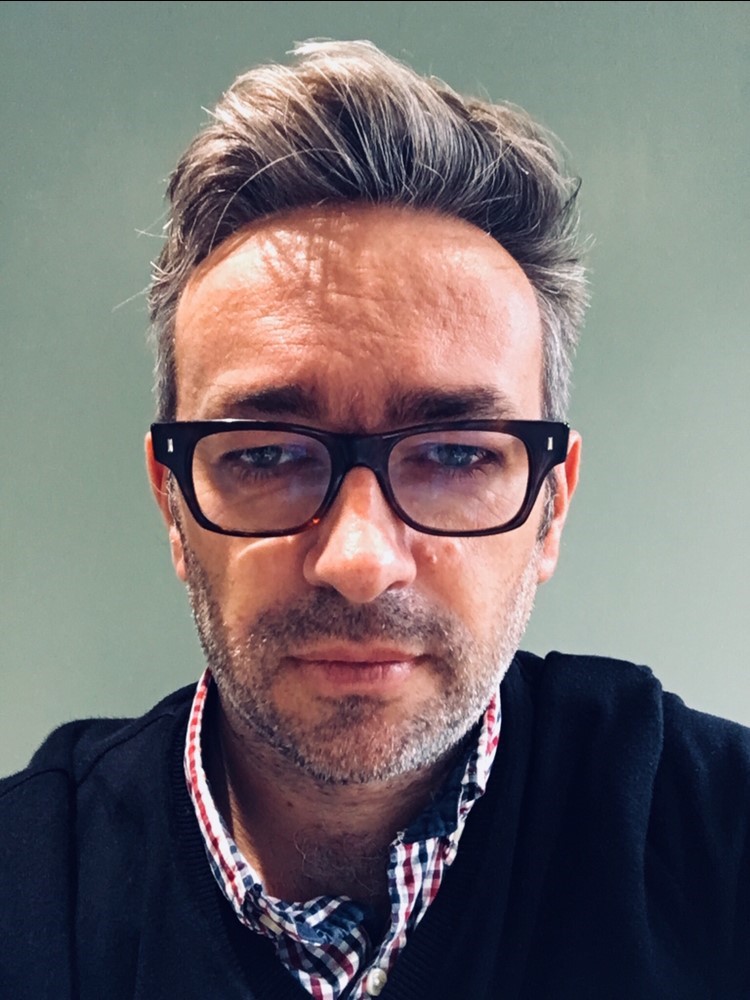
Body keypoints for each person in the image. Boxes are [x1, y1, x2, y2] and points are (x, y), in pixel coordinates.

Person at [1, 40, 748, 1000]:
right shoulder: (30, 888)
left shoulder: (715, 839)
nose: (358, 560)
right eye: (267, 454)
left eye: (456, 455)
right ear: (173, 502)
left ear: (551, 506)